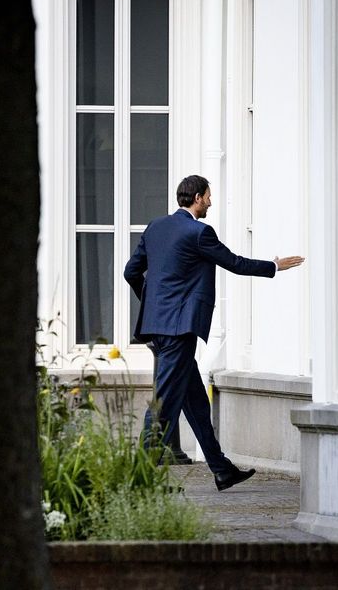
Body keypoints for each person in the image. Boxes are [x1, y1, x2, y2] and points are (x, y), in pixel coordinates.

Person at [124, 174, 304, 491]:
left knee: (195, 401)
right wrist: (274, 266)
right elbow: (233, 262)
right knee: (163, 405)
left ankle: (222, 470)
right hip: (179, 329)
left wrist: (154, 305)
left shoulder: (155, 228)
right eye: (208, 196)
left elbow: (131, 271)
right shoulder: (199, 233)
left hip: (158, 326)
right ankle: (139, 481)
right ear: (196, 197)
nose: (210, 201)